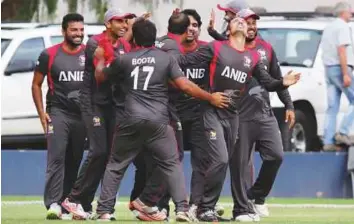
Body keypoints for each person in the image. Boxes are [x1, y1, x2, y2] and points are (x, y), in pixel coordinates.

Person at [93, 18, 229, 222]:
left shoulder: (125, 59)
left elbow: (100, 77)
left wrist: (101, 59)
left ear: (135, 38)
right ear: (154, 37)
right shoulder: (165, 59)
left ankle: (104, 211)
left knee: (116, 165)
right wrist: (210, 97)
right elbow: (185, 86)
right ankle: (182, 210)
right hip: (159, 121)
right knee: (172, 164)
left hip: (130, 119)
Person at [175, 16, 301, 222]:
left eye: (244, 20)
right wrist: (165, 51)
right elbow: (184, 61)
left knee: (223, 163)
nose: (241, 21)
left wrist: (283, 83)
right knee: (221, 159)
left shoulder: (252, 57)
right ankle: (203, 207)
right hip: (211, 111)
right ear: (228, 31)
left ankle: (207, 209)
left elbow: (268, 82)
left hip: (233, 116)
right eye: (236, 20)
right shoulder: (215, 47)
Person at [61, 8, 135, 219]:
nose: (124, 25)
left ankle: (86, 205)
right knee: (98, 151)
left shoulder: (125, 44)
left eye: (126, 21)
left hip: (113, 105)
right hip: (93, 103)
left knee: (109, 155)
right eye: (119, 21)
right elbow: (101, 77)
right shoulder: (95, 43)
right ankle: (73, 199)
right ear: (108, 24)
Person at [229, 8, 295, 220]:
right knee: (239, 165)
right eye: (247, 23)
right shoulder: (229, 48)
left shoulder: (266, 48)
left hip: (264, 114)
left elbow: (277, 79)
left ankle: (256, 196)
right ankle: (241, 209)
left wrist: (289, 105)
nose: (252, 27)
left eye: (254, 23)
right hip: (239, 115)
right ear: (239, 25)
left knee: (276, 155)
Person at [128, 11, 191, 220]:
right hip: (165, 110)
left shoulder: (161, 42)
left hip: (140, 110)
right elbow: (172, 79)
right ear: (187, 29)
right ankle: (148, 201)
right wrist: (198, 92)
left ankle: (152, 204)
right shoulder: (173, 48)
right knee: (173, 157)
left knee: (156, 160)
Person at [31, 13, 86, 220]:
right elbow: (36, 84)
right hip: (58, 113)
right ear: (64, 31)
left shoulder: (89, 54)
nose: (79, 34)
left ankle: (67, 202)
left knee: (75, 159)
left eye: (81, 30)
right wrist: (41, 113)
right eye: (74, 30)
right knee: (57, 157)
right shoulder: (49, 54)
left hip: (81, 117)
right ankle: (53, 203)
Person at [321, 1, 354, 151]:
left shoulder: (328, 27)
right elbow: (341, 50)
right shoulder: (342, 27)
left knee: (332, 106)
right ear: (343, 12)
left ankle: (328, 142)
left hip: (329, 69)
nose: (351, 13)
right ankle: (343, 132)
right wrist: (345, 73)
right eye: (350, 11)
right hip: (340, 69)